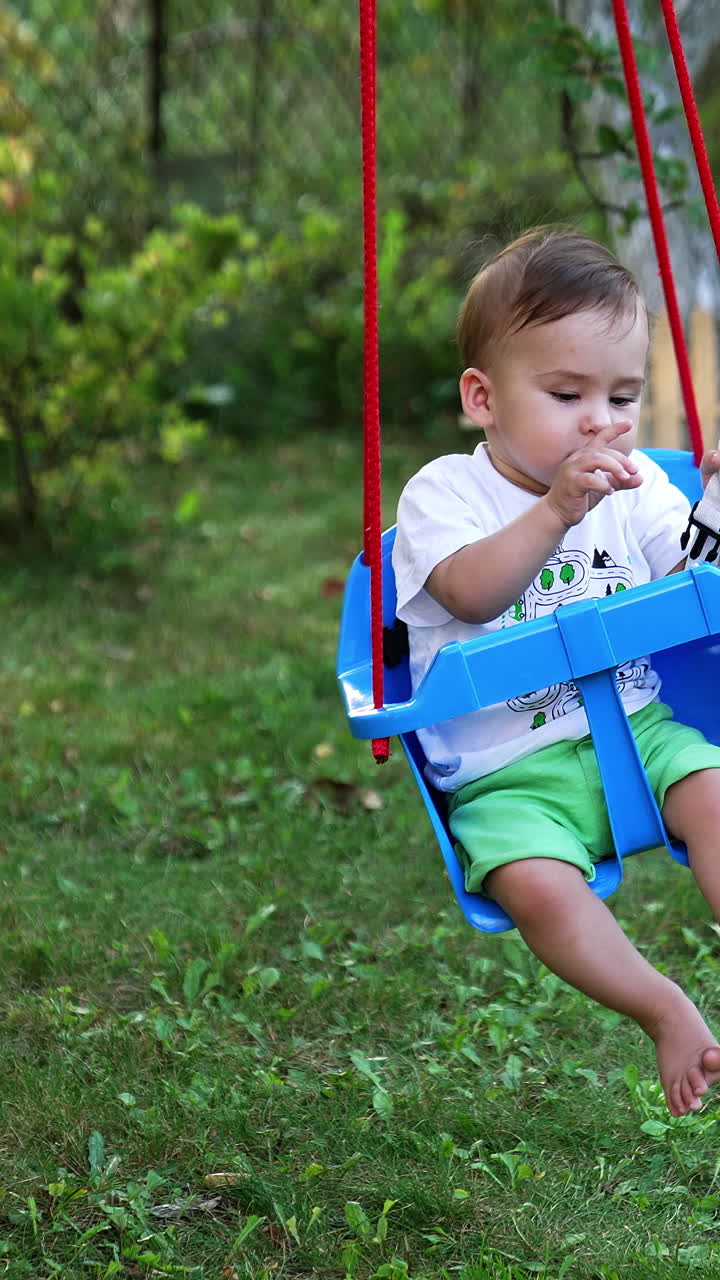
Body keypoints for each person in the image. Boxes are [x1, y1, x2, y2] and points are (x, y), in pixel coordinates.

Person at [392, 226, 720, 1117]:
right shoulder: (443, 494)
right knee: (535, 886)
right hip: (510, 773)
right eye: (567, 392)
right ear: (482, 396)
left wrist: (716, 513)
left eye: (623, 396)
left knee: (716, 792)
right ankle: (664, 1009)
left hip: (641, 729)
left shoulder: (642, 483)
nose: (601, 422)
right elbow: (466, 592)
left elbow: (691, 587)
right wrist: (555, 509)